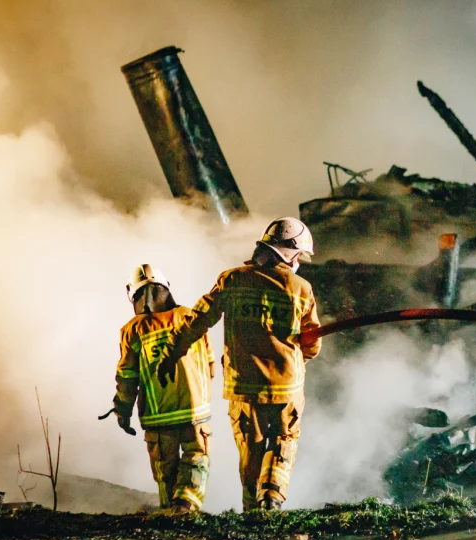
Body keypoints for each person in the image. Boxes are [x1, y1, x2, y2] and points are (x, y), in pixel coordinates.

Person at [157, 217, 322, 512]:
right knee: (284, 440)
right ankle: (271, 497)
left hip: (243, 388)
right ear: (291, 253)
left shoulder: (231, 280)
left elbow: (197, 321)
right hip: (287, 387)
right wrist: (295, 356)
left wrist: (172, 353)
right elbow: (313, 344)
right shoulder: (301, 288)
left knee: (250, 451)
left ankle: (251, 509)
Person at [113, 264, 215, 513]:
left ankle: (172, 516)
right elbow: (210, 366)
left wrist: (122, 411)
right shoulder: (190, 317)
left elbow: (127, 377)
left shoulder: (132, 330)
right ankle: (186, 507)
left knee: (165, 476)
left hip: (158, 419)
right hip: (195, 413)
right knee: (196, 460)